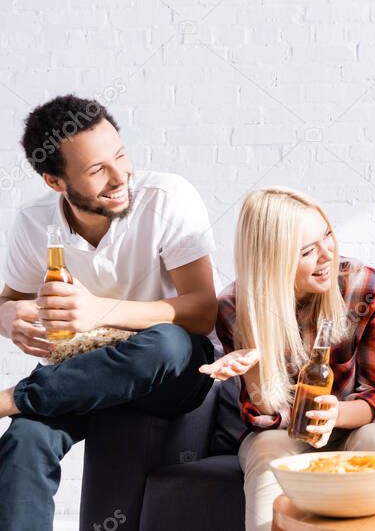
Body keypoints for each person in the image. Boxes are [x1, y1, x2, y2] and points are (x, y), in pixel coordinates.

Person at [0, 95, 218, 531]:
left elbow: (202, 311)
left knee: (166, 342)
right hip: (86, 372)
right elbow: (7, 300)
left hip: (170, 373)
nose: (121, 177)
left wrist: (101, 311)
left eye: (120, 155)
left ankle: (14, 399)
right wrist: (7, 319)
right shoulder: (34, 223)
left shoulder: (167, 198)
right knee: (24, 442)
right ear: (54, 181)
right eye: (97, 169)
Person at [200, 187, 375, 531]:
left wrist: (334, 414)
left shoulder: (365, 287)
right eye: (308, 251)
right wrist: (254, 373)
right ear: (273, 259)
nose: (328, 254)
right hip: (284, 432)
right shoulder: (235, 306)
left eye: (327, 235)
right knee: (268, 450)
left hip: (355, 424)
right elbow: (265, 418)